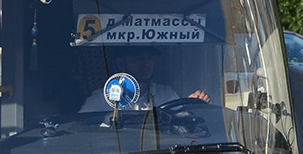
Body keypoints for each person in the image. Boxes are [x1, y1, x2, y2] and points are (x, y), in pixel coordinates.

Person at [79, 45, 210, 113]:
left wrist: (191, 105)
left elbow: (182, 124)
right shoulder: (103, 98)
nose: (146, 63)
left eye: (149, 58)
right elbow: (80, 128)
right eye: (138, 58)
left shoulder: (166, 94)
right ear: (121, 63)